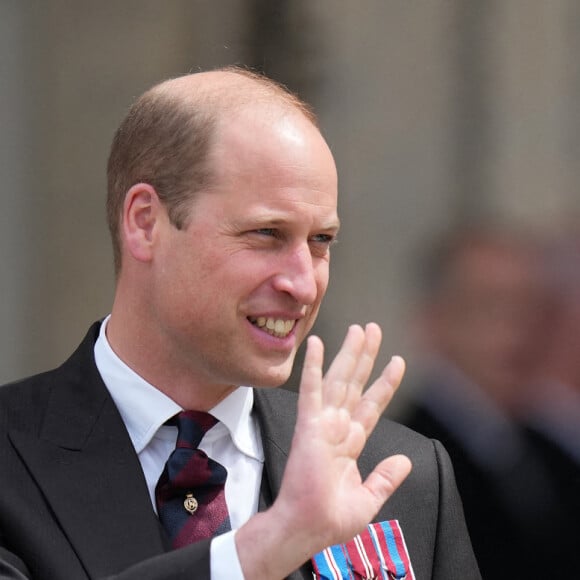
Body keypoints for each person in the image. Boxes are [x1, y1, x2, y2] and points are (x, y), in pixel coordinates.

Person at [0, 67, 479, 579]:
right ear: (145, 223)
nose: (303, 283)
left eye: (320, 241)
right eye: (266, 233)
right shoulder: (13, 457)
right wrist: (269, 546)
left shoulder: (397, 472)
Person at [399, 224, 569, 578]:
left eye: (531, 309)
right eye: (491, 306)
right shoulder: (404, 458)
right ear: (435, 319)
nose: (516, 330)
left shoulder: (548, 451)